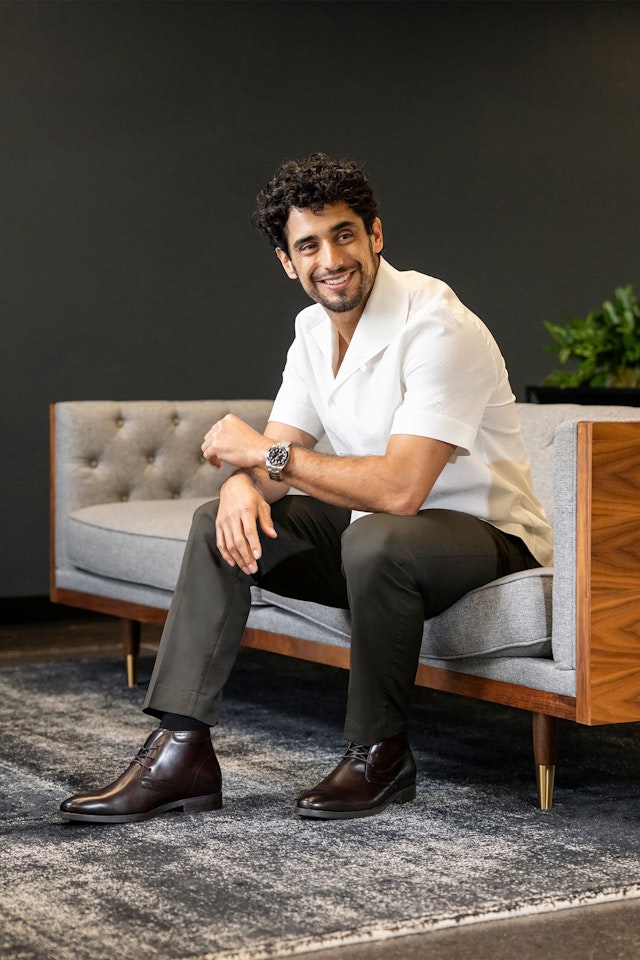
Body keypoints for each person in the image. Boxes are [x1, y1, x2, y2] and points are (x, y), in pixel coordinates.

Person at [60, 153, 553, 824]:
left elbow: (401, 490)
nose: (331, 258)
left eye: (344, 234)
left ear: (375, 235)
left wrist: (262, 457)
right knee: (218, 524)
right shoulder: (311, 334)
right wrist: (240, 487)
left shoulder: (438, 325)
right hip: (376, 539)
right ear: (288, 262)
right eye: (309, 245)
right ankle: (181, 754)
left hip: (486, 535)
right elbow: (274, 460)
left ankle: (380, 755)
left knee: (379, 539)